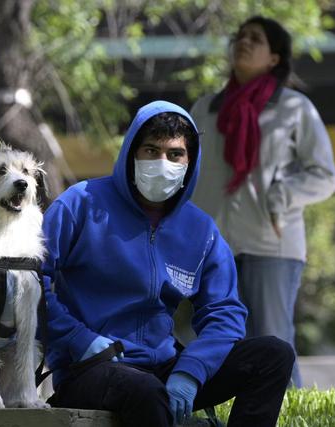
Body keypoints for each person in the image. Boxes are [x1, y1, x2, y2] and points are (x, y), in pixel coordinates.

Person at [41, 100, 294, 427]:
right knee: (146, 391)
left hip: (164, 369)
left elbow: (226, 313)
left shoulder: (201, 230)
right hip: (88, 368)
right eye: (151, 150)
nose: (162, 162)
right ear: (132, 153)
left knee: (273, 355)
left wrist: (191, 370)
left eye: (175, 154)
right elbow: (30, 282)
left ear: (190, 161)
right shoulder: (81, 203)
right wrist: (78, 338)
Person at [190, 16, 335, 388]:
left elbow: (325, 175)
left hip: (272, 243)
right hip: (212, 247)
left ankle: (290, 413)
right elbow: (186, 175)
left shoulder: (294, 108)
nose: (243, 42)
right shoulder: (205, 108)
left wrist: (281, 195)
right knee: (215, 342)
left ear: (274, 58)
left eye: (255, 38)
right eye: (239, 36)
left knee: (273, 340)